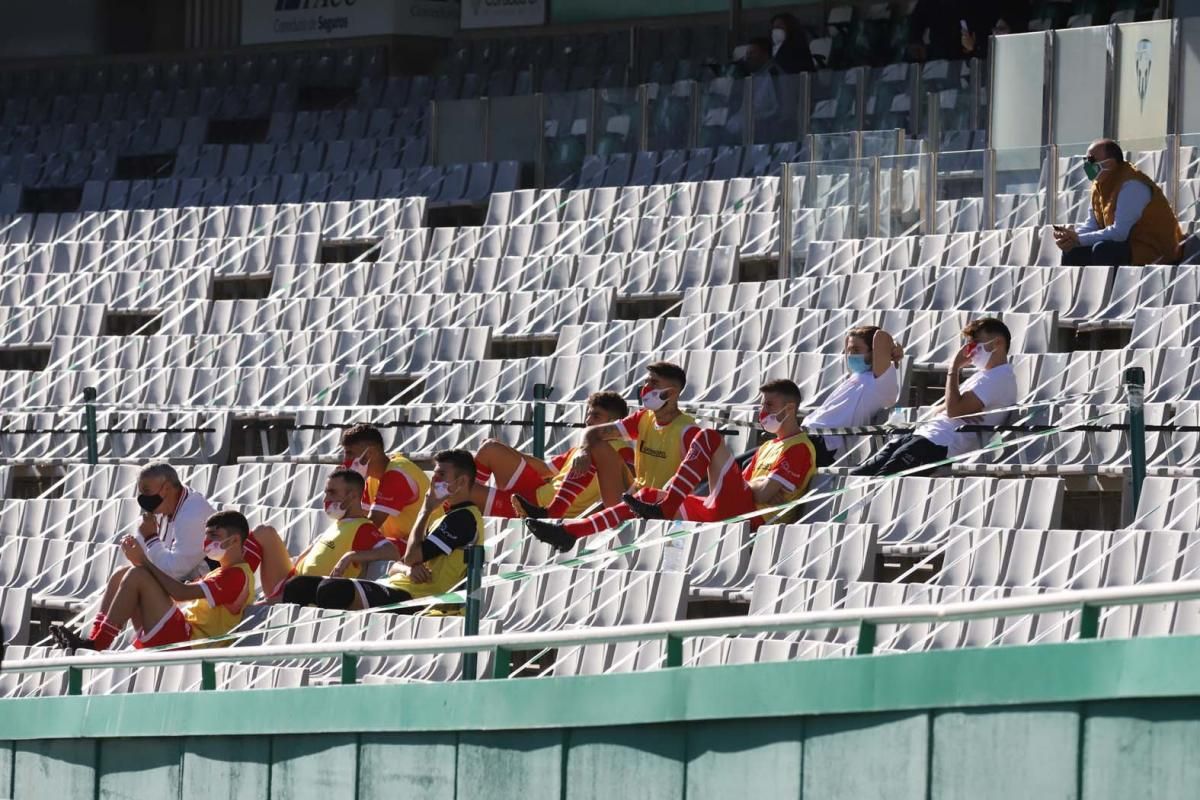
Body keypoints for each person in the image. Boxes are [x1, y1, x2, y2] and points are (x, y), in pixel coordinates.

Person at [524, 361, 703, 552]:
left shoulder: (689, 430)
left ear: (672, 392)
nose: (646, 388)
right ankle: (553, 512)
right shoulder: (643, 418)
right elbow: (593, 433)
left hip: (661, 509)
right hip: (632, 502)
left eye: (654, 383)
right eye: (646, 382)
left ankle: (564, 526)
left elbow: (694, 477)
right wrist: (584, 451)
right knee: (596, 446)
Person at [622, 379, 817, 528]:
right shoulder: (767, 446)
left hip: (754, 520)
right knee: (648, 496)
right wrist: (759, 486)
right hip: (734, 509)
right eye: (762, 405)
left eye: (769, 405)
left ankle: (668, 506)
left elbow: (762, 494)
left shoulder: (798, 447)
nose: (762, 411)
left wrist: (760, 489)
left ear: (790, 409)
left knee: (708, 437)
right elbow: (751, 488)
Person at [50, 510, 256, 651]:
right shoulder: (222, 572)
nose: (207, 541)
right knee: (122, 573)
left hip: (188, 643)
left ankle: (97, 645)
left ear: (235, 540)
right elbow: (181, 597)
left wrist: (144, 562)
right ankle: (93, 641)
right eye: (206, 535)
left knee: (137, 574)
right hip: (179, 633)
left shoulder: (237, 576)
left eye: (214, 535)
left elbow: (180, 593)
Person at [309, 450, 483, 612]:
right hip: (398, 586)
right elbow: (398, 565)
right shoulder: (446, 517)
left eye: (441, 475)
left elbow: (411, 557)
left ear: (461, 481)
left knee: (331, 590)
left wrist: (426, 510)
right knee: (300, 587)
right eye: (435, 474)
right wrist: (408, 570)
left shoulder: (464, 519)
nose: (434, 480)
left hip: (417, 599)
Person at [853, 317, 1017, 476]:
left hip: (939, 445)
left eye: (975, 344)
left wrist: (953, 369)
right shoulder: (984, 376)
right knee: (859, 475)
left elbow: (952, 410)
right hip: (923, 435)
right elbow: (942, 409)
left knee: (882, 480)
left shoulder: (999, 379)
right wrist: (957, 407)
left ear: (997, 343)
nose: (970, 351)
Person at [469, 391, 634, 519]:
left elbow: (632, 488)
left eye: (596, 416)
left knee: (460, 493)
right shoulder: (580, 448)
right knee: (490, 448)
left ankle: (455, 517)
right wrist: (506, 449)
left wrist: (588, 517)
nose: (588, 421)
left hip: (542, 508)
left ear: (614, 422)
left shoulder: (621, 450)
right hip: (535, 493)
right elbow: (545, 469)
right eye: (588, 414)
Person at [248, 469, 401, 604]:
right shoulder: (337, 524)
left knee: (264, 532)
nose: (325, 499)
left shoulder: (363, 527)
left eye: (332, 492)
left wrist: (351, 556)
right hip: (291, 583)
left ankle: (238, 593)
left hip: (307, 595)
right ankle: (237, 584)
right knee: (264, 532)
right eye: (326, 492)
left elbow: (392, 552)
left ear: (352, 496)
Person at [1053, 138, 1183, 267]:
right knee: (1072, 250)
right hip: (1128, 245)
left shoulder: (1132, 185)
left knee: (1104, 250)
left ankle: (1112, 288)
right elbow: (1093, 225)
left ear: (1109, 163)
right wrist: (1071, 237)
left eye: (1091, 160)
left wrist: (1079, 239)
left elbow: (1120, 233)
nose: (1087, 165)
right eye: (1085, 161)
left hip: (1154, 250)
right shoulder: (1099, 184)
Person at [802, 325, 903, 467]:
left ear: (874, 352)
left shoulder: (882, 381)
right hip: (807, 432)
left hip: (827, 443)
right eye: (849, 350)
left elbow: (881, 337)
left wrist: (894, 346)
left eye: (856, 350)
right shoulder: (858, 375)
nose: (850, 355)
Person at [339, 423, 431, 544]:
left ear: (370, 453)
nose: (345, 461)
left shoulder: (397, 473)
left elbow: (371, 524)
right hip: (401, 543)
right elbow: (357, 516)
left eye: (350, 453)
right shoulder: (371, 478)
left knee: (354, 547)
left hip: (423, 545)